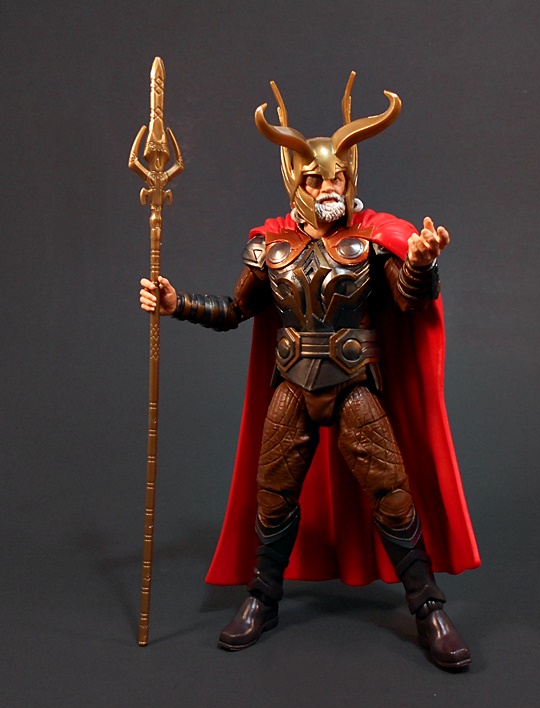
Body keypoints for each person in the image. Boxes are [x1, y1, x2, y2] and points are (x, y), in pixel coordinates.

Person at [139, 75, 480, 670]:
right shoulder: (270, 246)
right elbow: (235, 311)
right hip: (291, 387)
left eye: (337, 178)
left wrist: (422, 263)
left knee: (392, 493)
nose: (328, 187)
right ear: (297, 182)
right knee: (273, 495)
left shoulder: (372, 241)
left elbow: (409, 299)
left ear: (350, 180)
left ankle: (428, 607)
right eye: (316, 179)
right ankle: (262, 598)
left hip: (353, 386)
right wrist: (177, 304)